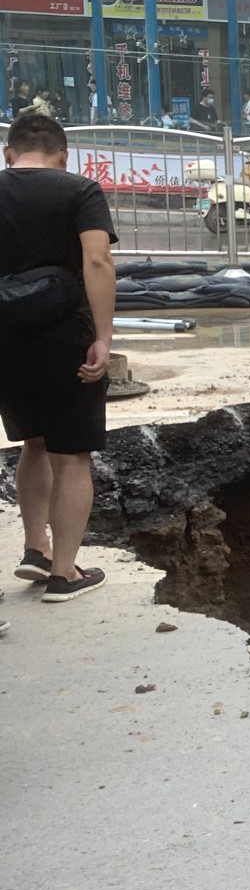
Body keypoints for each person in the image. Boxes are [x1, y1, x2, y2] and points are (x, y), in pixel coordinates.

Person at [0, 113, 116, 603]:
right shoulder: (80, 190)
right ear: (63, 156)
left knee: (33, 442)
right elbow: (97, 260)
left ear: (9, 154)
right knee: (71, 455)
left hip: (5, 338)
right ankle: (64, 573)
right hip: (63, 338)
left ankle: (34, 548)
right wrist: (104, 338)